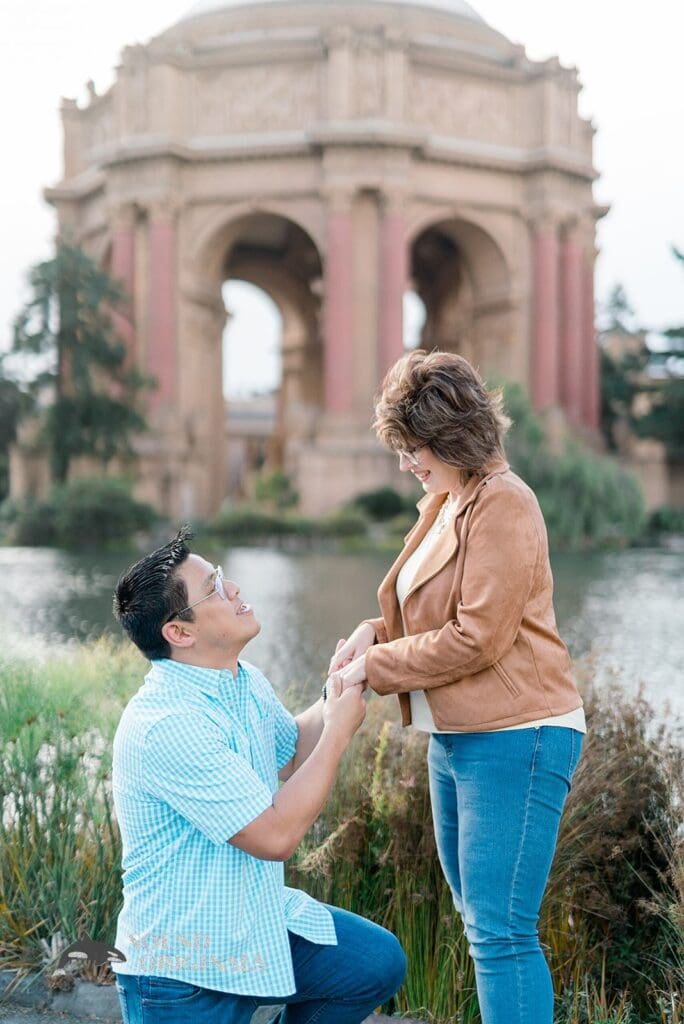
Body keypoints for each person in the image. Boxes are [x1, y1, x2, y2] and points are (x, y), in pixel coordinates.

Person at [329, 350, 585, 1024]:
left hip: (519, 735)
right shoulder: (449, 500)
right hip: (459, 734)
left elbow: (479, 636)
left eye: (414, 447)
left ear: (453, 438)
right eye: (401, 448)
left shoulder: (503, 501)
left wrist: (373, 672)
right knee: (483, 925)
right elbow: (432, 609)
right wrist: (372, 635)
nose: (406, 462)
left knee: (502, 935)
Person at [110, 526, 406, 1024]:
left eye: (223, 576)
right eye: (215, 589)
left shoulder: (239, 680)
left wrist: (344, 685)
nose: (236, 590)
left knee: (373, 963)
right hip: (185, 970)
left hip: (251, 926)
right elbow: (274, 836)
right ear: (179, 633)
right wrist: (337, 735)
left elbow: (290, 755)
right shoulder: (166, 724)